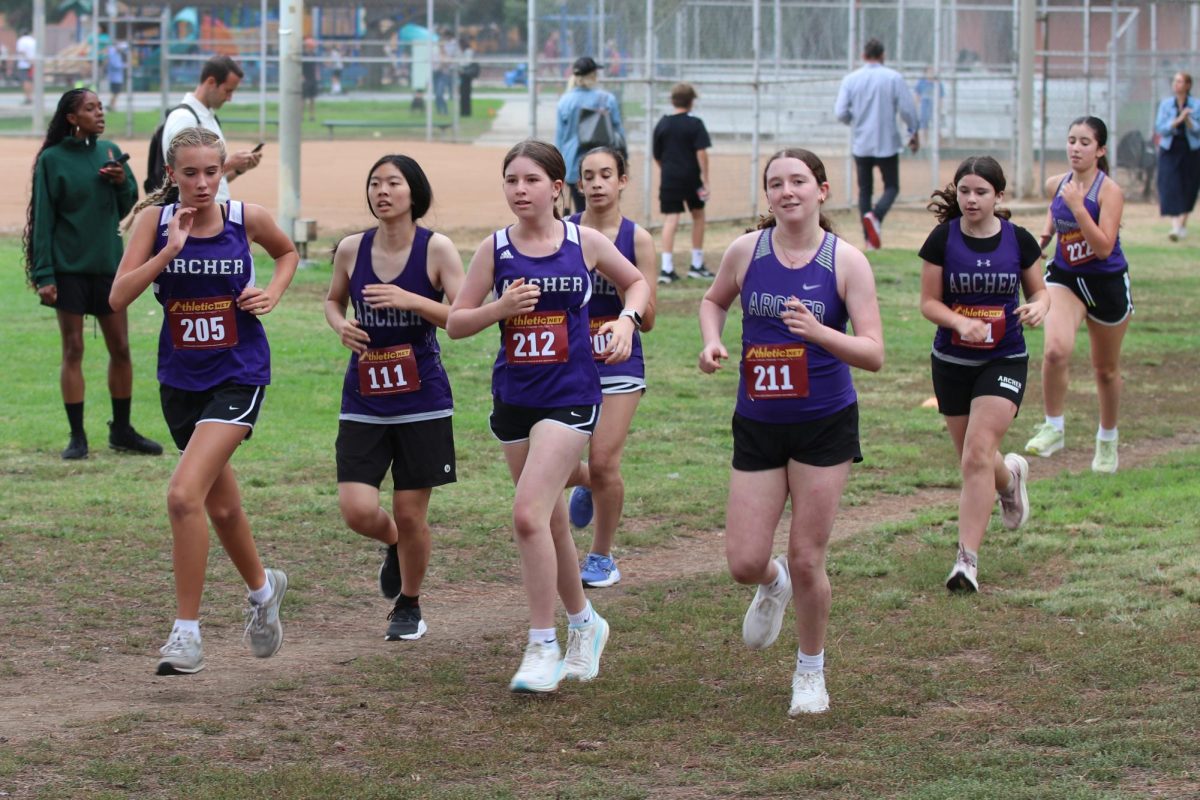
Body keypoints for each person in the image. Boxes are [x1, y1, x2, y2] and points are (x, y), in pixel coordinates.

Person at [446, 139, 650, 694]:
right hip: (516, 397)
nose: (520, 190)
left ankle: (542, 644)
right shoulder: (494, 249)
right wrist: (498, 309)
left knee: (529, 516)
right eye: (511, 180)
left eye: (531, 180)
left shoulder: (584, 242)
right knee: (553, 522)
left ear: (558, 188)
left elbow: (636, 282)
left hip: (571, 394)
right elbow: (457, 323)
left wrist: (627, 320)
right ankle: (586, 623)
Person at [698, 148, 883, 716]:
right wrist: (711, 340)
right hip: (758, 421)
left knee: (808, 557)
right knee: (744, 562)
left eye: (798, 181)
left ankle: (810, 670)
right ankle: (770, 584)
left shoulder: (846, 261)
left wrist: (820, 332)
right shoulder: (745, 252)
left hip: (823, 424)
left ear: (821, 190)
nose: (787, 191)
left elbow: (873, 353)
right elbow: (713, 299)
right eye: (775, 183)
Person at [110, 127, 298, 675]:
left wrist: (275, 291)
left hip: (239, 374)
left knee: (182, 495)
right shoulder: (156, 223)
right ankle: (264, 593)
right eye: (189, 173)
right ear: (171, 175)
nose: (201, 183)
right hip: (180, 380)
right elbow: (119, 296)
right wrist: (170, 250)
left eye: (210, 172)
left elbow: (285, 253)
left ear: (223, 172)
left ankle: (187, 635)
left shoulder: (246, 218)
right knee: (219, 504)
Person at [324, 155, 464, 641]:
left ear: (414, 193)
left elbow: (463, 317)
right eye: (374, 183)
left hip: (421, 398)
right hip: (364, 395)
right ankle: (393, 544)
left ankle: (409, 603)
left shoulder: (436, 249)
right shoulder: (350, 248)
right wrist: (341, 325)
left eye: (393, 183)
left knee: (410, 510)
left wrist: (411, 300)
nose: (382, 191)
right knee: (358, 509)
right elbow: (332, 299)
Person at [919, 156, 1050, 592]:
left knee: (976, 453)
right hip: (953, 362)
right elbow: (928, 303)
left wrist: (1039, 307)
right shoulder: (943, 239)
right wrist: (958, 322)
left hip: (1004, 359)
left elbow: (1041, 291)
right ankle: (1010, 478)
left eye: (981, 192)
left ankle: (965, 562)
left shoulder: (1019, 240)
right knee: (975, 458)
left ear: (999, 195)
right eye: (964, 191)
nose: (971, 199)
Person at [23, 88, 162, 460]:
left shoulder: (111, 151)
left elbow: (128, 204)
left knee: (121, 347)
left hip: (110, 269)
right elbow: (43, 219)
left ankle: (122, 431)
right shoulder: (51, 160)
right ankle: (77, 436)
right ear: (71, 117)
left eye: (101, 106)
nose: (100, 113)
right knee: (74, 348)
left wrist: (120, 181)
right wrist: (44, 274)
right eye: (90, 108)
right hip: (68, 271)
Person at [563, 147, 657, 588]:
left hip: (620, 358)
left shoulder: (637, 239)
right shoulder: (561, 234)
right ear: (578, 185)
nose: (597, 183)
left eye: (606, 175)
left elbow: (650, 317)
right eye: (588, 176)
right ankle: (589, 483)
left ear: (622, 181)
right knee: (564, 467)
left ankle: (601, 557)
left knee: (603, 461)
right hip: (567, 359)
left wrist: (625, 311)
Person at [1025, 116, 1130, 474]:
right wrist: (1041, 243)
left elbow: (1103, 248)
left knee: (1105, 370)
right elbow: (1053, 219)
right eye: (1071, 140)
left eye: (1085, 142)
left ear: (1100, 150)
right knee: (1055, 351)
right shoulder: (1059, 184)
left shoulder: (1109, 191)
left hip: (1106, 284)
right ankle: (1054, 427)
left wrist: (1079, 207)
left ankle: (1107, 439)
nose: (1076, 148)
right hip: (1066, 278)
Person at [834, 38, 920, 251]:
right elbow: (907, 109)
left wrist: (853, 120)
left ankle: (868, 240)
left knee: (865, 190)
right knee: (892, 186)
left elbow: (840, 112)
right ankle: (876, 215)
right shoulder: (893, 78)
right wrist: (913, 131)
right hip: (886, 141)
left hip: (862, 142)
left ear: (863, 56)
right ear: (883, 55)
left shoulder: (851, 79)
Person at [160, 55, 262, 203]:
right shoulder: (184, 118)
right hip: (196, 217)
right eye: (227, 91)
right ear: (211, 82)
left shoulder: (209, 117)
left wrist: (239, 169)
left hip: (214, 212)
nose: (229, 98)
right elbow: (186, 173)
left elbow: (215, 182)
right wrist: (231, 162)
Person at [653, 82, 713, 283]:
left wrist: (667, 171)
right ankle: (696, 264)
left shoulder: (663, 123)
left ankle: (666, 268)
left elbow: (657, 154)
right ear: (691, 102)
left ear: (673, 101)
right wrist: (705, 179)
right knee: (698, 216)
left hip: (670, 178)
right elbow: (701, 152)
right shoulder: (695, 123)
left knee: (671, 219)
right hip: (691, 178)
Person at [555, 57, 625, 214]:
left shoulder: (565, 101)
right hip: (604, 164)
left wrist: (560, 167)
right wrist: (622, 159)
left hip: (573, 164)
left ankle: (581, 237)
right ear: (593, 75)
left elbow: (559, 138)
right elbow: (619, 132)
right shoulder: (607, 99)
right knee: (604, 212)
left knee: (580, 211)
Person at [1154, 71, 1200, 241]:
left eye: (1180, 81)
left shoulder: (1196, 105)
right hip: (1170, 149)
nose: (1176, 84)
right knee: (1170, 185)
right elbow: (1160, 128)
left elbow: (1197, 131)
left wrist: (1188, 120)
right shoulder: (1166, 105)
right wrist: (1177, 120)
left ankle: (1182, 224)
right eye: (1175, 81)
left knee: (1189, 187)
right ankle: (1175, 227)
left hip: (1190, 150)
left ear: (1188, 85)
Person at [458, 36, 477, 118]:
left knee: (466, 94)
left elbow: (467, 62)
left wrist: (461, 67)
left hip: (466, 74)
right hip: (463, 74)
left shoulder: (468, 51)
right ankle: (463, 111)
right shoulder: (463, 51)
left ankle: (466, 112)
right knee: (463, 94)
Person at [301, 39, 319, 122]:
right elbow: (300, 67)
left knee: (312, 99)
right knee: (303, 99)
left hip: (312, 79)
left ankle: (311, 116)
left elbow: (315, 66)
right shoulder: (303, 55)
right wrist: (302, 76)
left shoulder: (314, 55)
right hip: (305, 79)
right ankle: (301, 116)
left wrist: (317, 75)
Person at [16, 29, 35, 105]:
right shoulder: (33, 40)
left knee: (25, 81)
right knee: (30, 81)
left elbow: (21, 51)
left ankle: (28, 98)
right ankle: (31, 97)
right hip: (33, 63)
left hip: (24, 64)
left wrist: (28, 60)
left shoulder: (21, 40)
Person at [105, 41, 125, 111]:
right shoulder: (113, 55)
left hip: (117, 77)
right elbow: (115, 65)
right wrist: (124, 65)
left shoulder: (117, 54)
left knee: (116, 93)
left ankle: (111, 105)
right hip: (115, 78)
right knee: (115, 92)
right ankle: (111, 106)